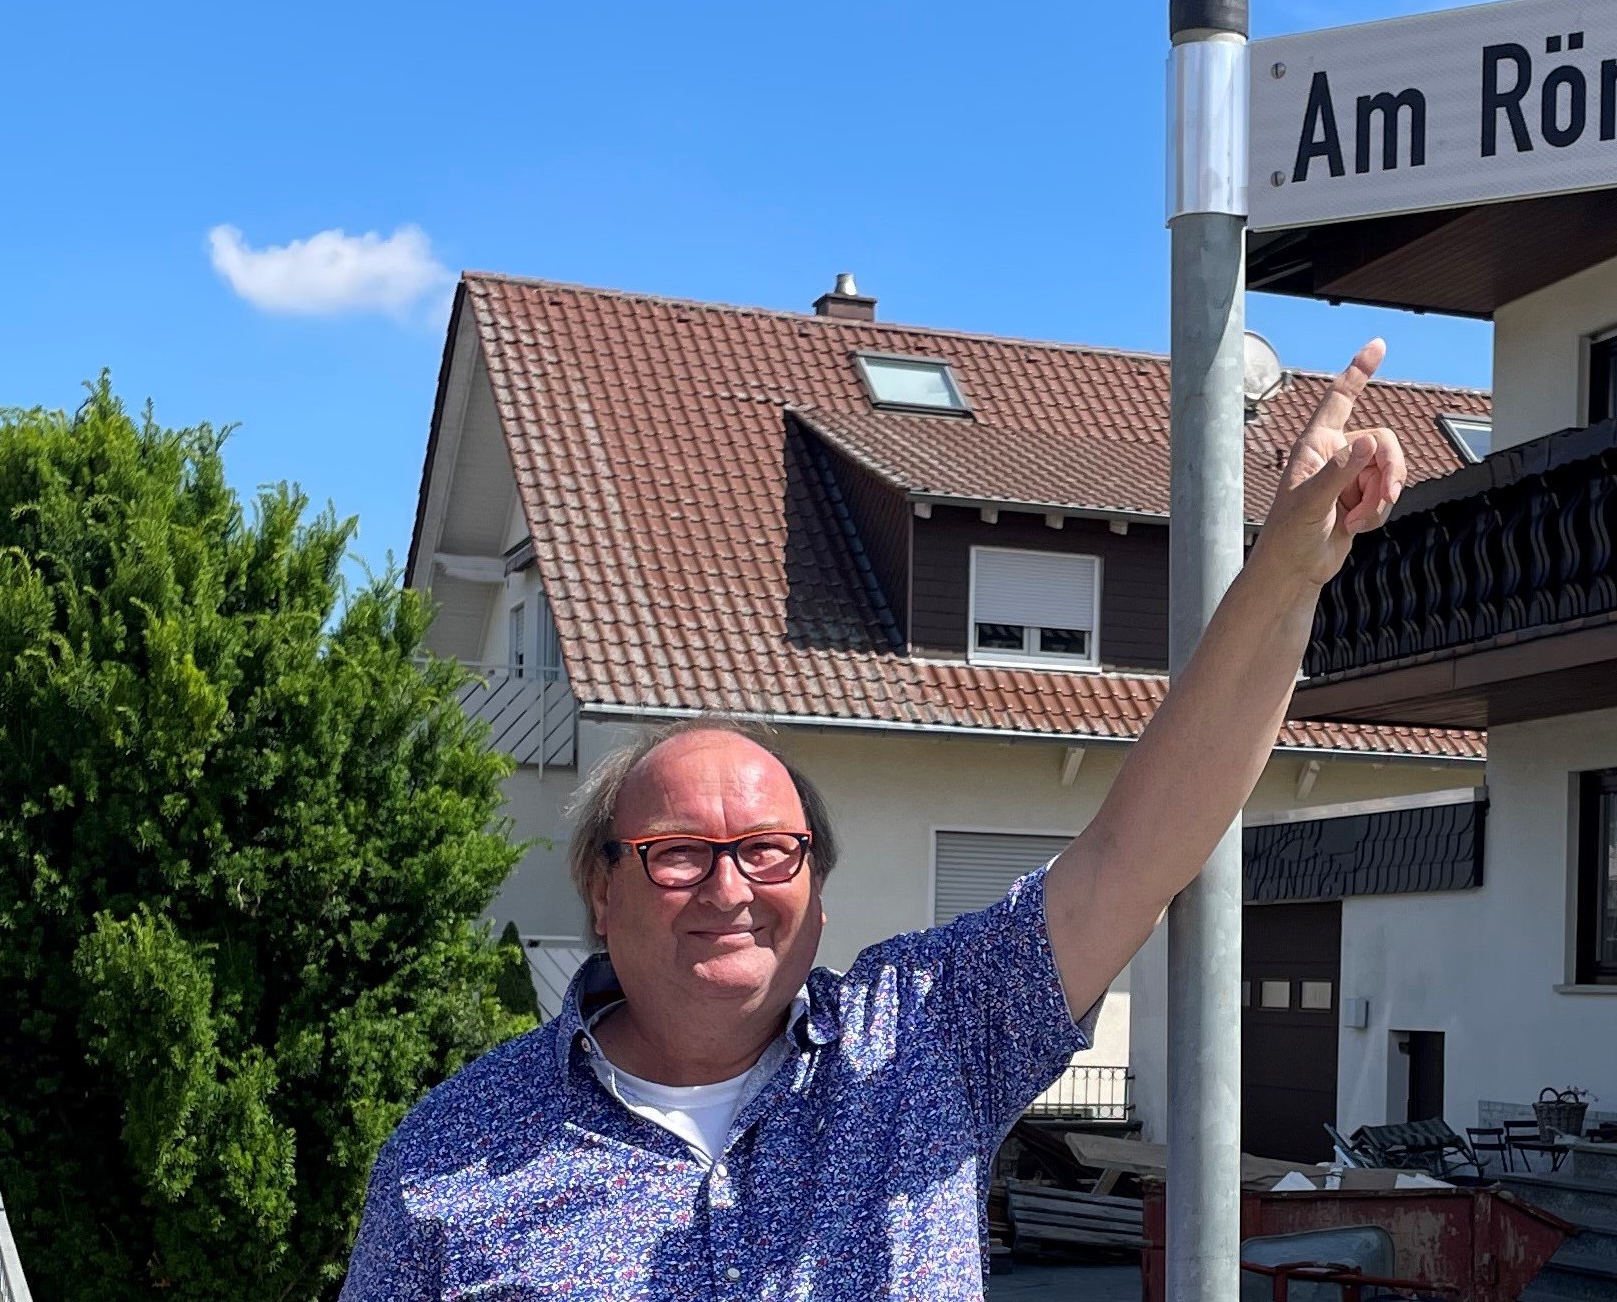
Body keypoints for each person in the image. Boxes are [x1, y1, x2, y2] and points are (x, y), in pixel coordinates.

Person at [342, 342, 1410, 1300]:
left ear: (814, 885)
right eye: (678, 856)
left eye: (768, 850)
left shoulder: (926, 1044)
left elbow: (1139, 848)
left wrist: (1283, 573)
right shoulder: (454, 1152)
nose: (731, 889)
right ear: (602, 886)